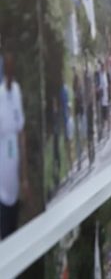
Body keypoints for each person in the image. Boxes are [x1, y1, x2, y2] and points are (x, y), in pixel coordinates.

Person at [0, 52, 28, 239]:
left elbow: (21, 134)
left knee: (12, 230)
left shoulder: (14, 91)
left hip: (13, 184)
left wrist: (24, 177)